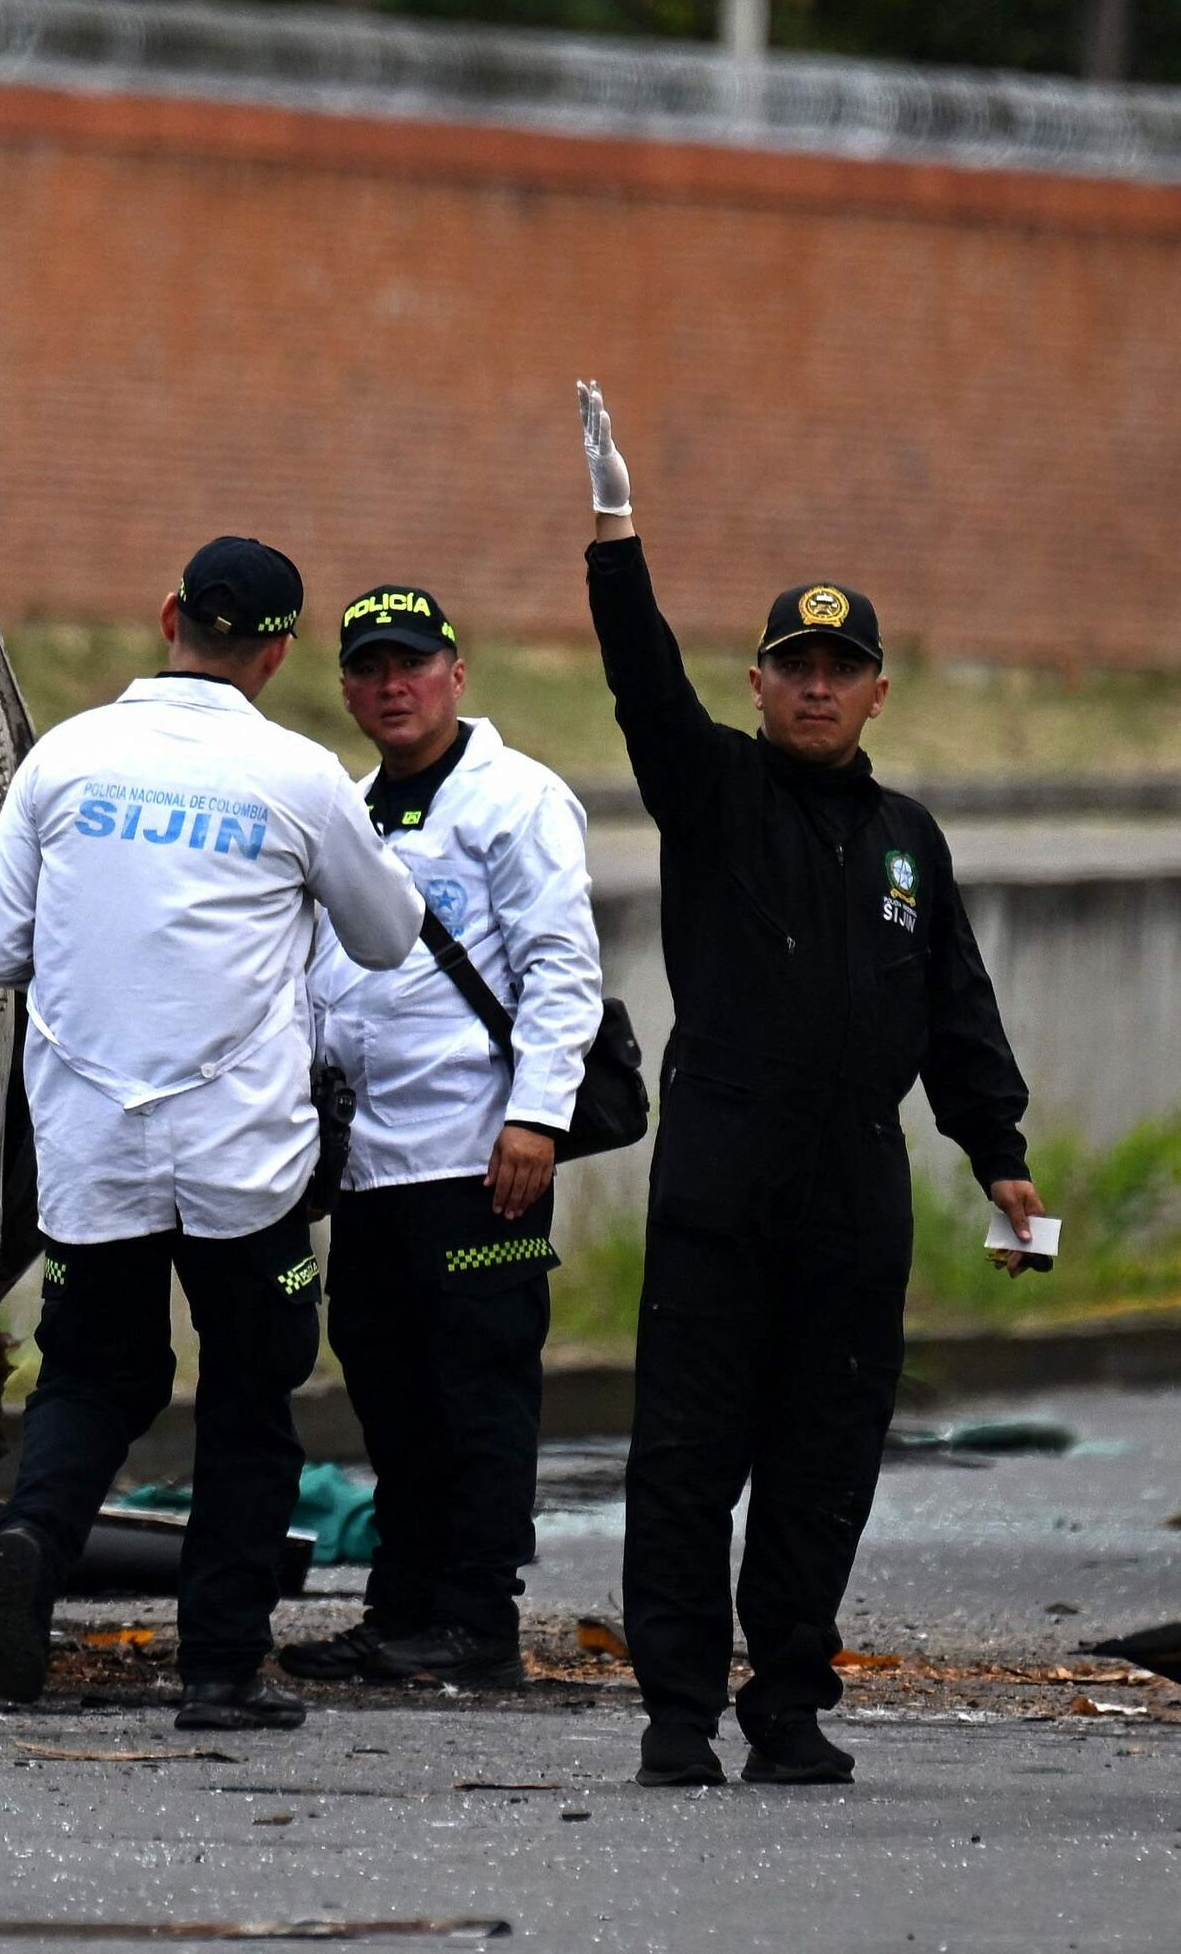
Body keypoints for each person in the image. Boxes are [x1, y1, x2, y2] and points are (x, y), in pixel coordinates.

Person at [576, 382, 1042, 1789]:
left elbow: (955, 1008)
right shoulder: (714, 790)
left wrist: (1000, 1155)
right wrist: (615, 536)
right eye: (795, 666)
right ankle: (676, 1713)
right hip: (724, 1168)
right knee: (688, 1452)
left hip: (856, 1181)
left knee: (825, 1455)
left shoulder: (908, 838)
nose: (818, 687)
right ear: (760, 683)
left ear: (878, 689)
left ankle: (787, 1702)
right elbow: (641, 681)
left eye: (842, 668)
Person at [0, 536, 427, 1730]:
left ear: (168, 616)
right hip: (242, 1155)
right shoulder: (299, 776)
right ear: (278, 652)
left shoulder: (65, 760)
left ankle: (31, 1539)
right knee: (250, 1400)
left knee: (93, 1373)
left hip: (91, 1145)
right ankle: (220, 1670)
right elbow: (386, 937)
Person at [281, 585, 600, 1697]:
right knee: (387, 1387)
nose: (392, 685)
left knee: (478, 1393)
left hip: (480, 1158)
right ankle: (402, 1612)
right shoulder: (347, 809)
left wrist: (537, 1117)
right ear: (345, 688)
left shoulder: (516, 800)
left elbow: (562, 969)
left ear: (456, 674)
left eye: (412, 663)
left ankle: (477, 1621)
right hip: (371, 1163)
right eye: (369, 668)